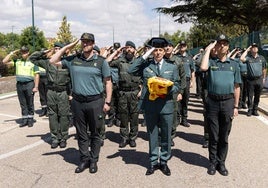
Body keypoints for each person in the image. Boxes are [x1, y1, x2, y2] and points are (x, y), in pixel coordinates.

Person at [49, 33, 112, 174]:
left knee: (95, 133)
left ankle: (94, 160)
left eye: (88, 42)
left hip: (95, 101)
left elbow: (108, 82)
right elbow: (53, 60)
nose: (85, 44)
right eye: (83, 42)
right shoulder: (73, 60)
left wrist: (107, 101)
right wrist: (67, 46)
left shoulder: (101, 61)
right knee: (81, 133)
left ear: (93, 43)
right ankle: (84, 159)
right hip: (78, 102)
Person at [128, 37, 179, 176]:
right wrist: (145, 54)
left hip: (166, 105)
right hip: (150, 106)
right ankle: (152, 162)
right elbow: (131, 70)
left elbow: (178, 84)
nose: (157, 53)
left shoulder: (172, 66)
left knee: (166, 135)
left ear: (164, 51)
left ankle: (164, 162)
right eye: (155, 50)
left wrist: (167, 88)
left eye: (160, 50)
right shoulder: (146, 65)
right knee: (152, 134)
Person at [200, 34, 241, 176]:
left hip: (228, 102)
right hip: (212, 102)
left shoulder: (234, 65)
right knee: (213, 134)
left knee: (224, 135)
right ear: (216, 47)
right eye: (219, 44)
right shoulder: (211, 62)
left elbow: (237, 86)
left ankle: (221, 162)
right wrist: (208, 50)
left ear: (228, 46)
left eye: (225, 43)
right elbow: (203, 67)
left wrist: (236, 106)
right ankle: (212, 162)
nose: (222, 46)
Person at [29, 42, 71, 149]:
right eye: (55, 48)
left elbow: (74, 79)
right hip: (51, 91)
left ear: (63, 50)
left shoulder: (68, 62)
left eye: (59, 48)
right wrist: (43, 52)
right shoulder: (48, 63)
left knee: (64, 115)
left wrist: (71, 93)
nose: (56, 50)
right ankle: (55, 138)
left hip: (63, 92)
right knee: (52, 116)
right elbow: (32, 59)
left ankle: (63, 138)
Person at [106, 41, 142, 148]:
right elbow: (106, 62)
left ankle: (132, 138)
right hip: (122, 92)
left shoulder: (139, 62)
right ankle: (124, 137)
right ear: (125, 50)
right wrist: (116, 51)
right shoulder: (120, 61)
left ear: (135, 50)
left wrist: (141, 89)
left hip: (134, 92)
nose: (129, 49)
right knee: (123, 116)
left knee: (134, 116)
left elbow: (144, 77)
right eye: (128, 48)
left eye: (131, 48)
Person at [2, 46, 39, 127]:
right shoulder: (17, 61)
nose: (23, 54)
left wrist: (36, 86)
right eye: (22, 52)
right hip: (20, 85)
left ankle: (30, 119)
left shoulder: (33, 62)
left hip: (29, 84)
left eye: (25, 52)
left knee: (30, 102)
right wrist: (12, 53)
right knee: (23, 103)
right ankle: (24, 119)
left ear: (28, 52)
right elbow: (4, 61)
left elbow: (36, 75)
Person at [164, 40, 186, 146]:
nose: (167, 48)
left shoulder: (178, 61)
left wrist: (180, 92)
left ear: (173, 48)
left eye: (169, 46)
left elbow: (183, 77)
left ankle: (171, 136)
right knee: (161, 115)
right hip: (161, 92)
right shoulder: (160, 60)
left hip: (174, 92)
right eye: (165, 46)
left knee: (173, 115)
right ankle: (161, 136)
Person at [240, 43, 267, 116]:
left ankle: (255, 110)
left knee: (257, 96)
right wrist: (247, 50)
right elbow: (241, 58)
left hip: (259, 79)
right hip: (250, 80)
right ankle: (250, 109)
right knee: (250, 96)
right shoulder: (248, 58)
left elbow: (264, 69)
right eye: (253, 47)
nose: (255, 48)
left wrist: (264, 78)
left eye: (256, 47)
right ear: (251, 49)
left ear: (258, 49)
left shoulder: (261, 58)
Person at [176, 41, 195, 127]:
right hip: (178, 81)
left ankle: (184, 119)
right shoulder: (175, 57)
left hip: (187, 80)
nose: (182, 47)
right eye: (181, 45)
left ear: (186, 46)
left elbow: (192, 70)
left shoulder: (189, 57)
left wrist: (192, 81)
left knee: (185, 100)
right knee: (177, 100)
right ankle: (177, 119)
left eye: (184, 45)